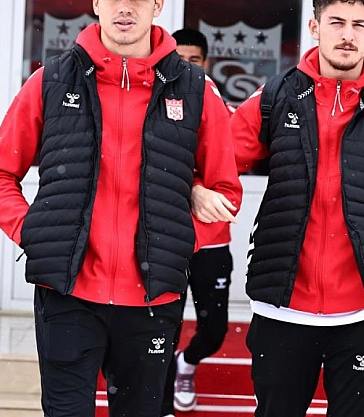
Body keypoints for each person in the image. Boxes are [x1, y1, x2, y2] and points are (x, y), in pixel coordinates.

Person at [0, 0, 242, 416]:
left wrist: (179, 239)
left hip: (152, 297)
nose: (125, 8)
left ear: (157, 5)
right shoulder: (51, 80)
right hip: (68, 293)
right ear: (97, 3)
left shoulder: (195, 89)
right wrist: (34, 233)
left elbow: (226, 193)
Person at [197, 0, 364, 415]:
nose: (347, 35)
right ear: (314, 27)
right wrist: (196, 188)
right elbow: (214, 157)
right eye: (337, 22)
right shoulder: (277, 95)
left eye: (359, 25)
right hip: (282, 308)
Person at [159, 28, 235, 416]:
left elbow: (231, 164)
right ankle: (163, 404)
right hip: (166, 238)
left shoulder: (217, 103)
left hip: (212, 241)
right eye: (181, 60)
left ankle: (186, 365)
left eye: (195, 60)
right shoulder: (157, 101)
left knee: (215, 331)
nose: (188, 67)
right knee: (162, 330)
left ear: (206, 63)